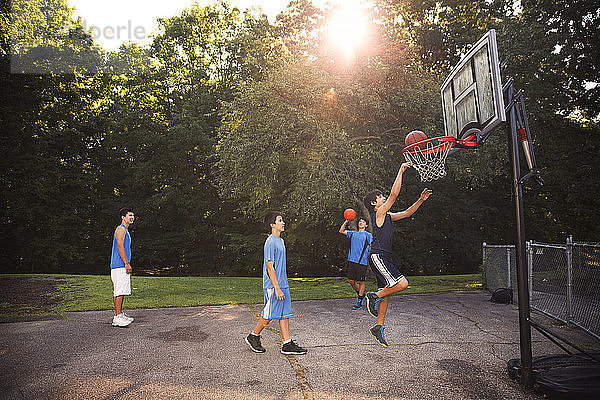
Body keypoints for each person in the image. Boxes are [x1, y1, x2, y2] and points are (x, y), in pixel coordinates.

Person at [363, 163, 432, 346]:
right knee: (402, 284)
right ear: (374, 203)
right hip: (378, 255)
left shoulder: (387, 215)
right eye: (380, 197)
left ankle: (378, 326)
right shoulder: (379, 212)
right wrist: (400, 171)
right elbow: (394, 195)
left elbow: (407, 213)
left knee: (387, 292)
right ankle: (373, 296)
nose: (384, 198)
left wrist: (420, 200)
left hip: (383, 257)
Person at [245, 211, 307, 355]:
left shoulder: (280, 241)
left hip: (282, 283)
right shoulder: (270, 241)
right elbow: (269, 267)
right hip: (273, 285)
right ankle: (253, 336)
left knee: (284, 314)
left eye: (282, 220)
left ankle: (287, 343)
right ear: (272, 224)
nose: (283, 223)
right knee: (269, 314)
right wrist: (277, 288)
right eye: (280, 220)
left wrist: (282, 286)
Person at [338, 217, 372, 310]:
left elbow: (372, 247)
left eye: (363, 222)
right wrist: (346, 221)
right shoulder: (353, 233)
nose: (361, 223)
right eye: (360, 221)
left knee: (361, 282)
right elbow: (341, 230)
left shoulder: (368, 235)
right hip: (352, 261)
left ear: (366, 225)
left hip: (362, 262)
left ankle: (359, 300)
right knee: (351, 281)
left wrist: (371, 262)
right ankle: (361, 294)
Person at [110, 208, 135, 327]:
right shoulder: (120, 229)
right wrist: (126, 263)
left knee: (121, 290)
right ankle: (117, 316)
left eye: (133, 216)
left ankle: (120, 315)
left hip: (121, 265)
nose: (132, 218)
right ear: (123, 217)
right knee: (119, 291)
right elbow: (120, 246)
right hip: (119, 265)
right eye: (129, 215)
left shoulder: (125, 230)